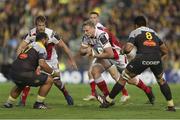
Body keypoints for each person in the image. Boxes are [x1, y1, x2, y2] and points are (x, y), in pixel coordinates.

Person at [96, 16, 176, 111]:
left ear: (136, 25)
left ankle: (107, 101)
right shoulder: (154, 32)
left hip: (142, 57)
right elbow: (165, 50)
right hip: (156, 57)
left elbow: (128, 49)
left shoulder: (135, 32)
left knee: (123, 78)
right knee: (161, 80)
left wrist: (123, 51)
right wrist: (158, 59)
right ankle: (171, 105)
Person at [80, 20, 155, 107]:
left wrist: (93, 53)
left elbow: (110, 54)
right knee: (95, 71)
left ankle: (147, 90)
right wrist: (86, 50)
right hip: (105, 55)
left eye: (87, 30)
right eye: (84, 31)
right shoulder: (86, 36)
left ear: (93, 28)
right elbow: (81, 51)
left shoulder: (101, 35)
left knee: (131, 80)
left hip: (117, 56)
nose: (85, 32)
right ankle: (108, 98)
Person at [16, 15, 77, 106]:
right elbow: (21, 46)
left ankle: (66, 94)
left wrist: (72, 60)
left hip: (51, 60)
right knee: (29, 78)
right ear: (35, 25)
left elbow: (64, 46)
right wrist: (19, 59)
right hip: (37, 60)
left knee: (57, 81)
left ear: (45, 25)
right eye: (39, 25)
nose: (41, 27)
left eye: (43, 25)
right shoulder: (31, 34)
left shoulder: (52, 34)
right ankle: (23, 101)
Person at [83, 12, 130, 102]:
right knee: (92, 72)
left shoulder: (101, 29)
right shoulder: (89, 30)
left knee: (116, 75)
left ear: (98, 19)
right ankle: (98, 94)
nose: (92, 19)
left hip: (107, 54)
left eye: (94, 17)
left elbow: (106, 40)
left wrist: (93, 51)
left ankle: (125, 93)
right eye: (91, 18)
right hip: (102, 54)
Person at [4, 32, 58, 109]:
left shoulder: (30, 45)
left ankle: (8, 103)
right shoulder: (41, 47)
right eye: (47, 39)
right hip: (24, 72)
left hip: (13, 72)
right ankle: (39, 103)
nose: (48, 41)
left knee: (21, 84)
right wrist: (53, 72)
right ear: (43, 39)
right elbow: (42, 64)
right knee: (49, 80)